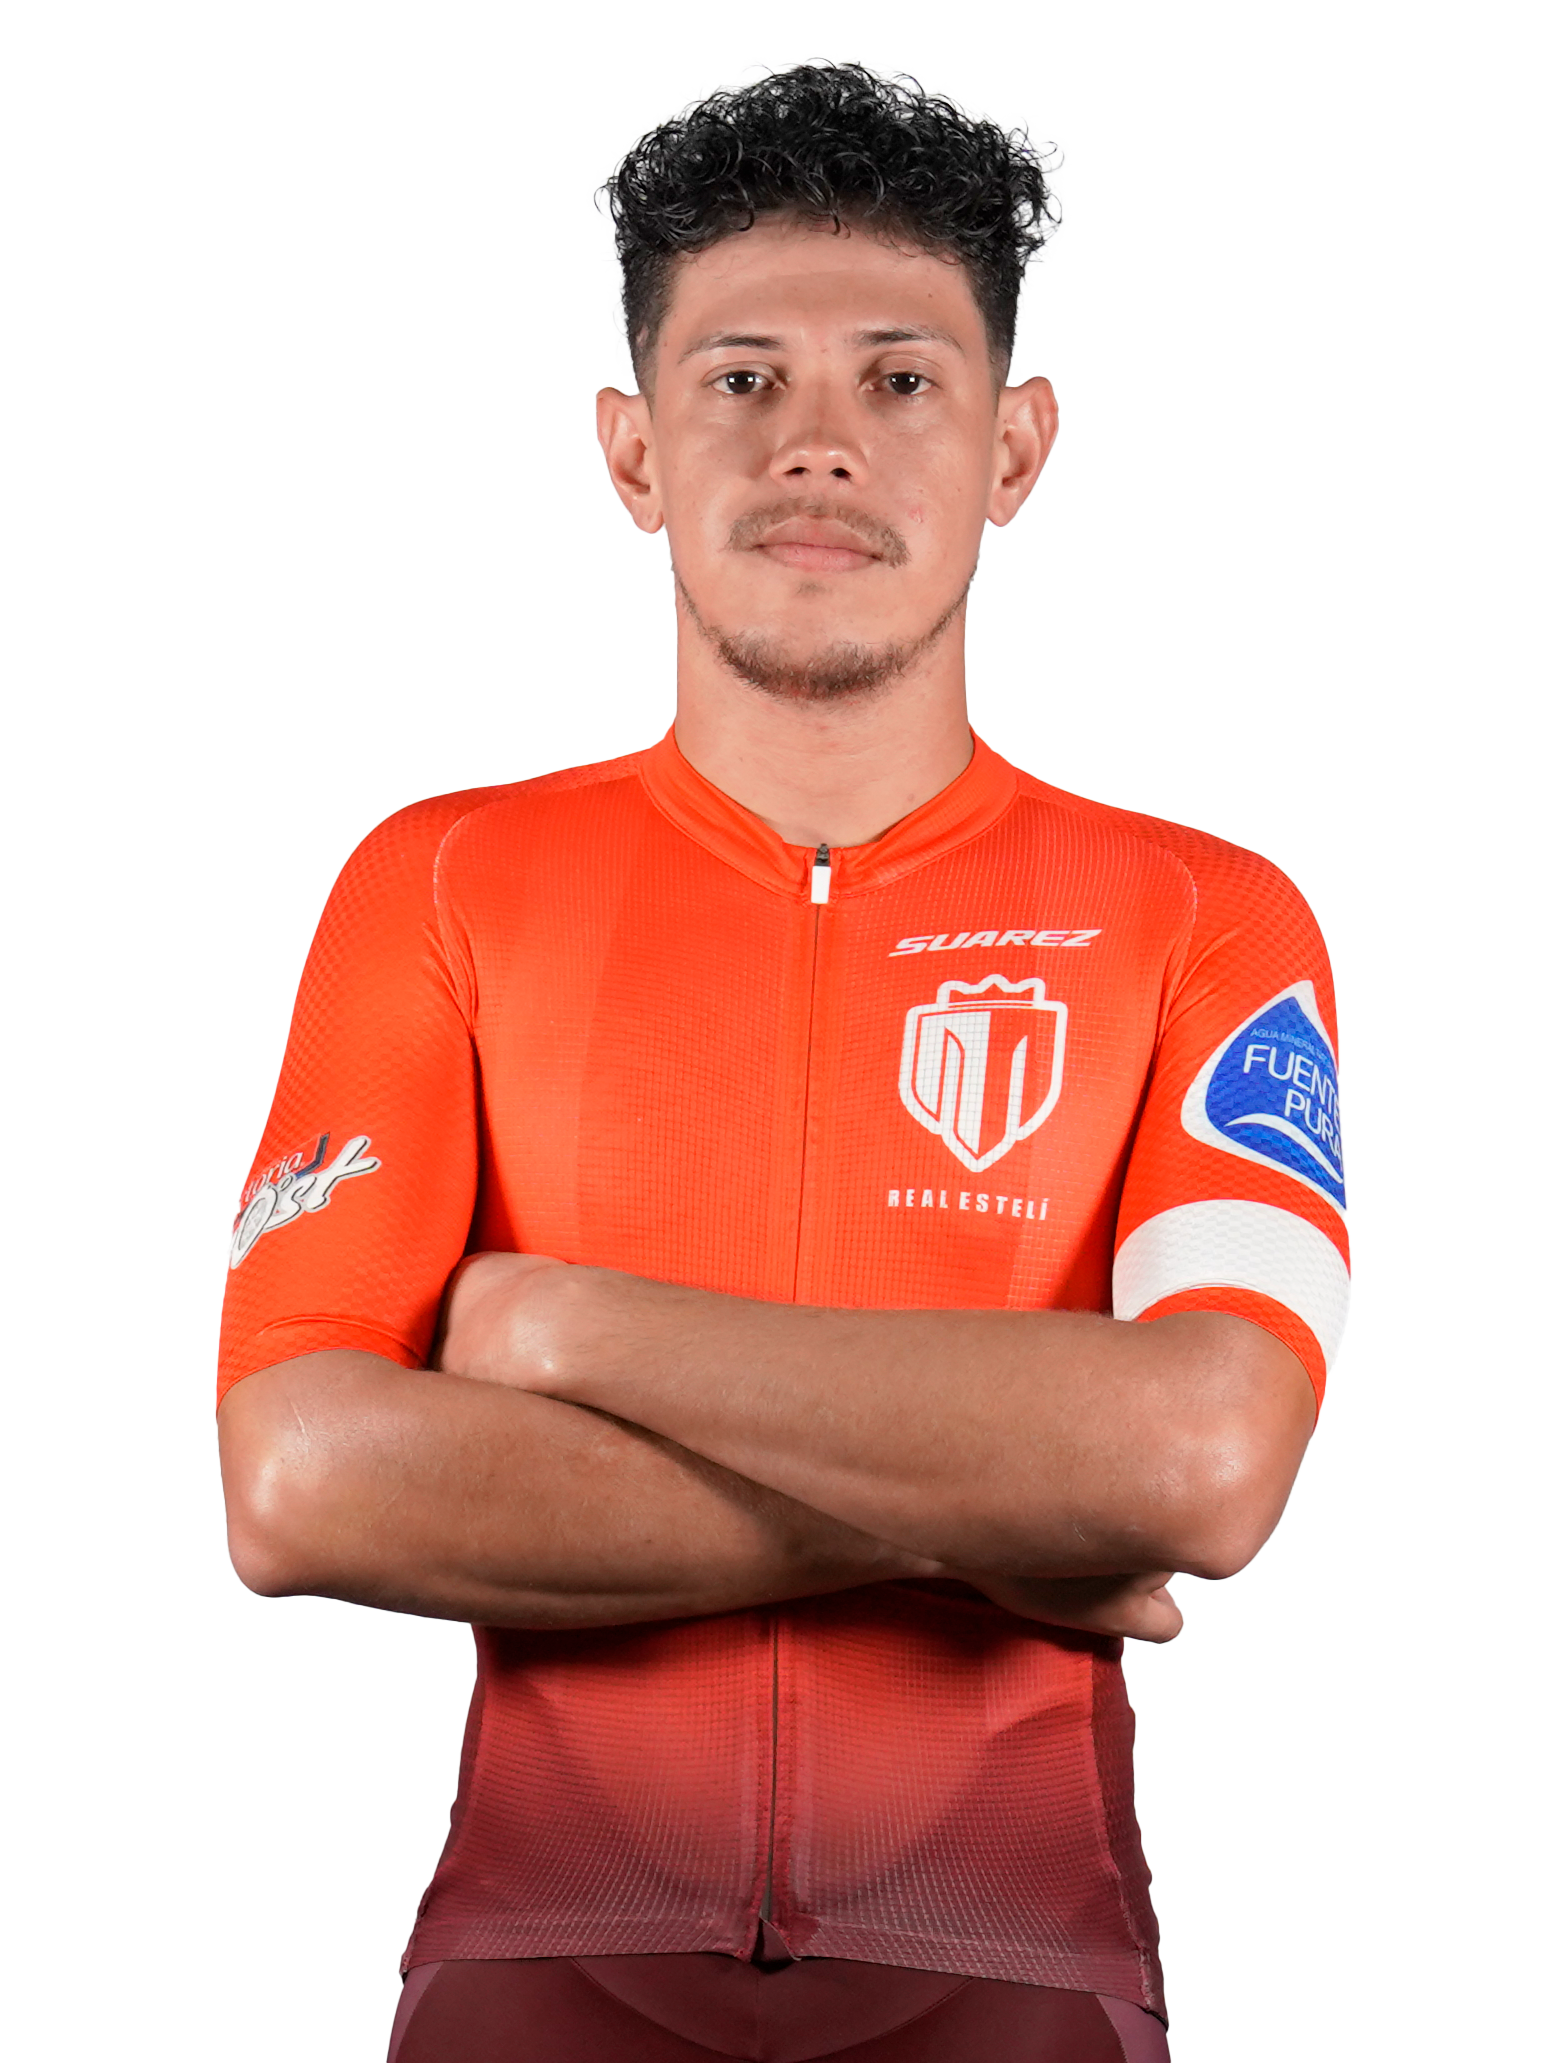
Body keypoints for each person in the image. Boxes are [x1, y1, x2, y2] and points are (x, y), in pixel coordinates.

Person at [218, 62, 1347, 2063]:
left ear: (1015, 446)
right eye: (741, 377)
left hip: (1019, 1969)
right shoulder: (441, 883)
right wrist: (1003, 1509)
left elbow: (1200, 1455)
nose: (819, 441)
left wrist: (561, 1323)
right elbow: (300, 1478)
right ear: (634, 449)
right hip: (536, 1963)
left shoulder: (1209, 917)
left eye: (902, 380)